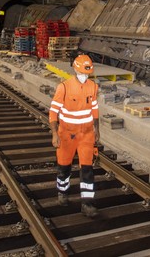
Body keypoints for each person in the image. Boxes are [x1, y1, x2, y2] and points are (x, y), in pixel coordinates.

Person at [49, 54, 100, 217]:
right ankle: (62, 193)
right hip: (67, 135)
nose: (85, 76)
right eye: (82, 73)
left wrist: (97, 129)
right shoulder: (63, 87)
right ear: (75, 70)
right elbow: (53, 112)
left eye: (87, 74)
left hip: (86, 135)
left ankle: (87, 204)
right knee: (64, 166)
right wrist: (54, 134)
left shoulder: (93, 86)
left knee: (87, 169)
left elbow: (95, 109)